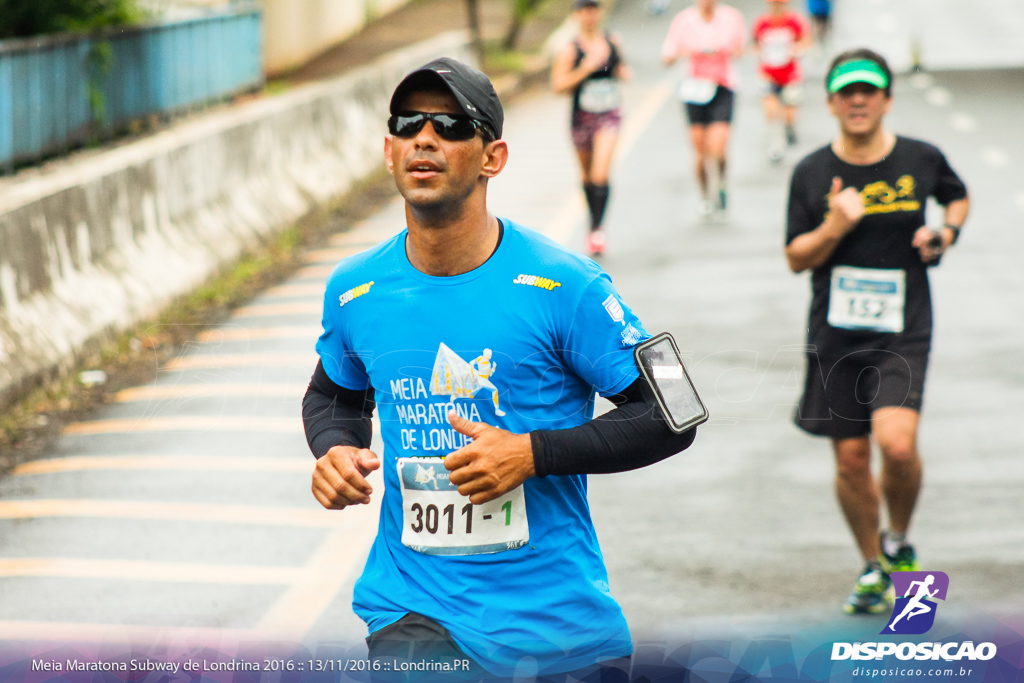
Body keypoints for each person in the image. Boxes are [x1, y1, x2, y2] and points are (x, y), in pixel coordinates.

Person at [302, 57, 699, 681]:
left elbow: (675, 414)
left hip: (557, 632)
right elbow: (332, 397)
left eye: (452, 125)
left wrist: (532, 453)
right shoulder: (355, 288)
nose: (424, 139)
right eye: (408, 124)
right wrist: (334, 451)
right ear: (389, 150)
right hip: (411, 610)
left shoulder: (571, 284)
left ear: (494, 156)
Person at [784, 49, 969, 615]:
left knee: (897, 444)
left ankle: (900, 540)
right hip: (837, 334)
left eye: (869, 91)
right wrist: (836, 224)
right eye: (847, 92)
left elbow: (956, 197)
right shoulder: (812, 172)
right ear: (831, 102)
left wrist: (945, 234)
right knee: (851, 461)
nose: (858, 100)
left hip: (902, 329)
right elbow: (795, 256)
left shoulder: (920, 158)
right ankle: (872, 564)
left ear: (886, 100)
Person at [551, 0, 631, 256]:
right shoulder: (570, 50)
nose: (589, 16)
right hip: (581, 117)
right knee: (586, 176)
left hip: (609, 115)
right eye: (584, 11)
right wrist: (583, 70)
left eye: (593, 10)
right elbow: (558, 86)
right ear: (576, 15)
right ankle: (592, 221)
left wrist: (623, 72)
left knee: (600, 174)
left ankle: (597, 229)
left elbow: (620, 68)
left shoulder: (612, 41)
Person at [661, 0, 745, 219]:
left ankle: (722, 181)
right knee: (699, 150)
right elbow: (667, 56)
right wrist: (691, 52)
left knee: (717, 148)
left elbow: (741, 49)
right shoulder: (684, 21)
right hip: (694, 90)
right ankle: (705, 196)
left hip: (722, 87)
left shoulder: (731, 17)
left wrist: (721, 51)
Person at [751, 0, 810, 163]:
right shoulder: (762, 23)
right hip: (768, 74)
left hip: (790, 75)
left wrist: (795, 50)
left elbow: (806, 41)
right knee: (771, 111)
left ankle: (790, 129)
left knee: (789, 114)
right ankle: (776, 145)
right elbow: (754, 44)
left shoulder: (794, 22)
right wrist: (761, 52)